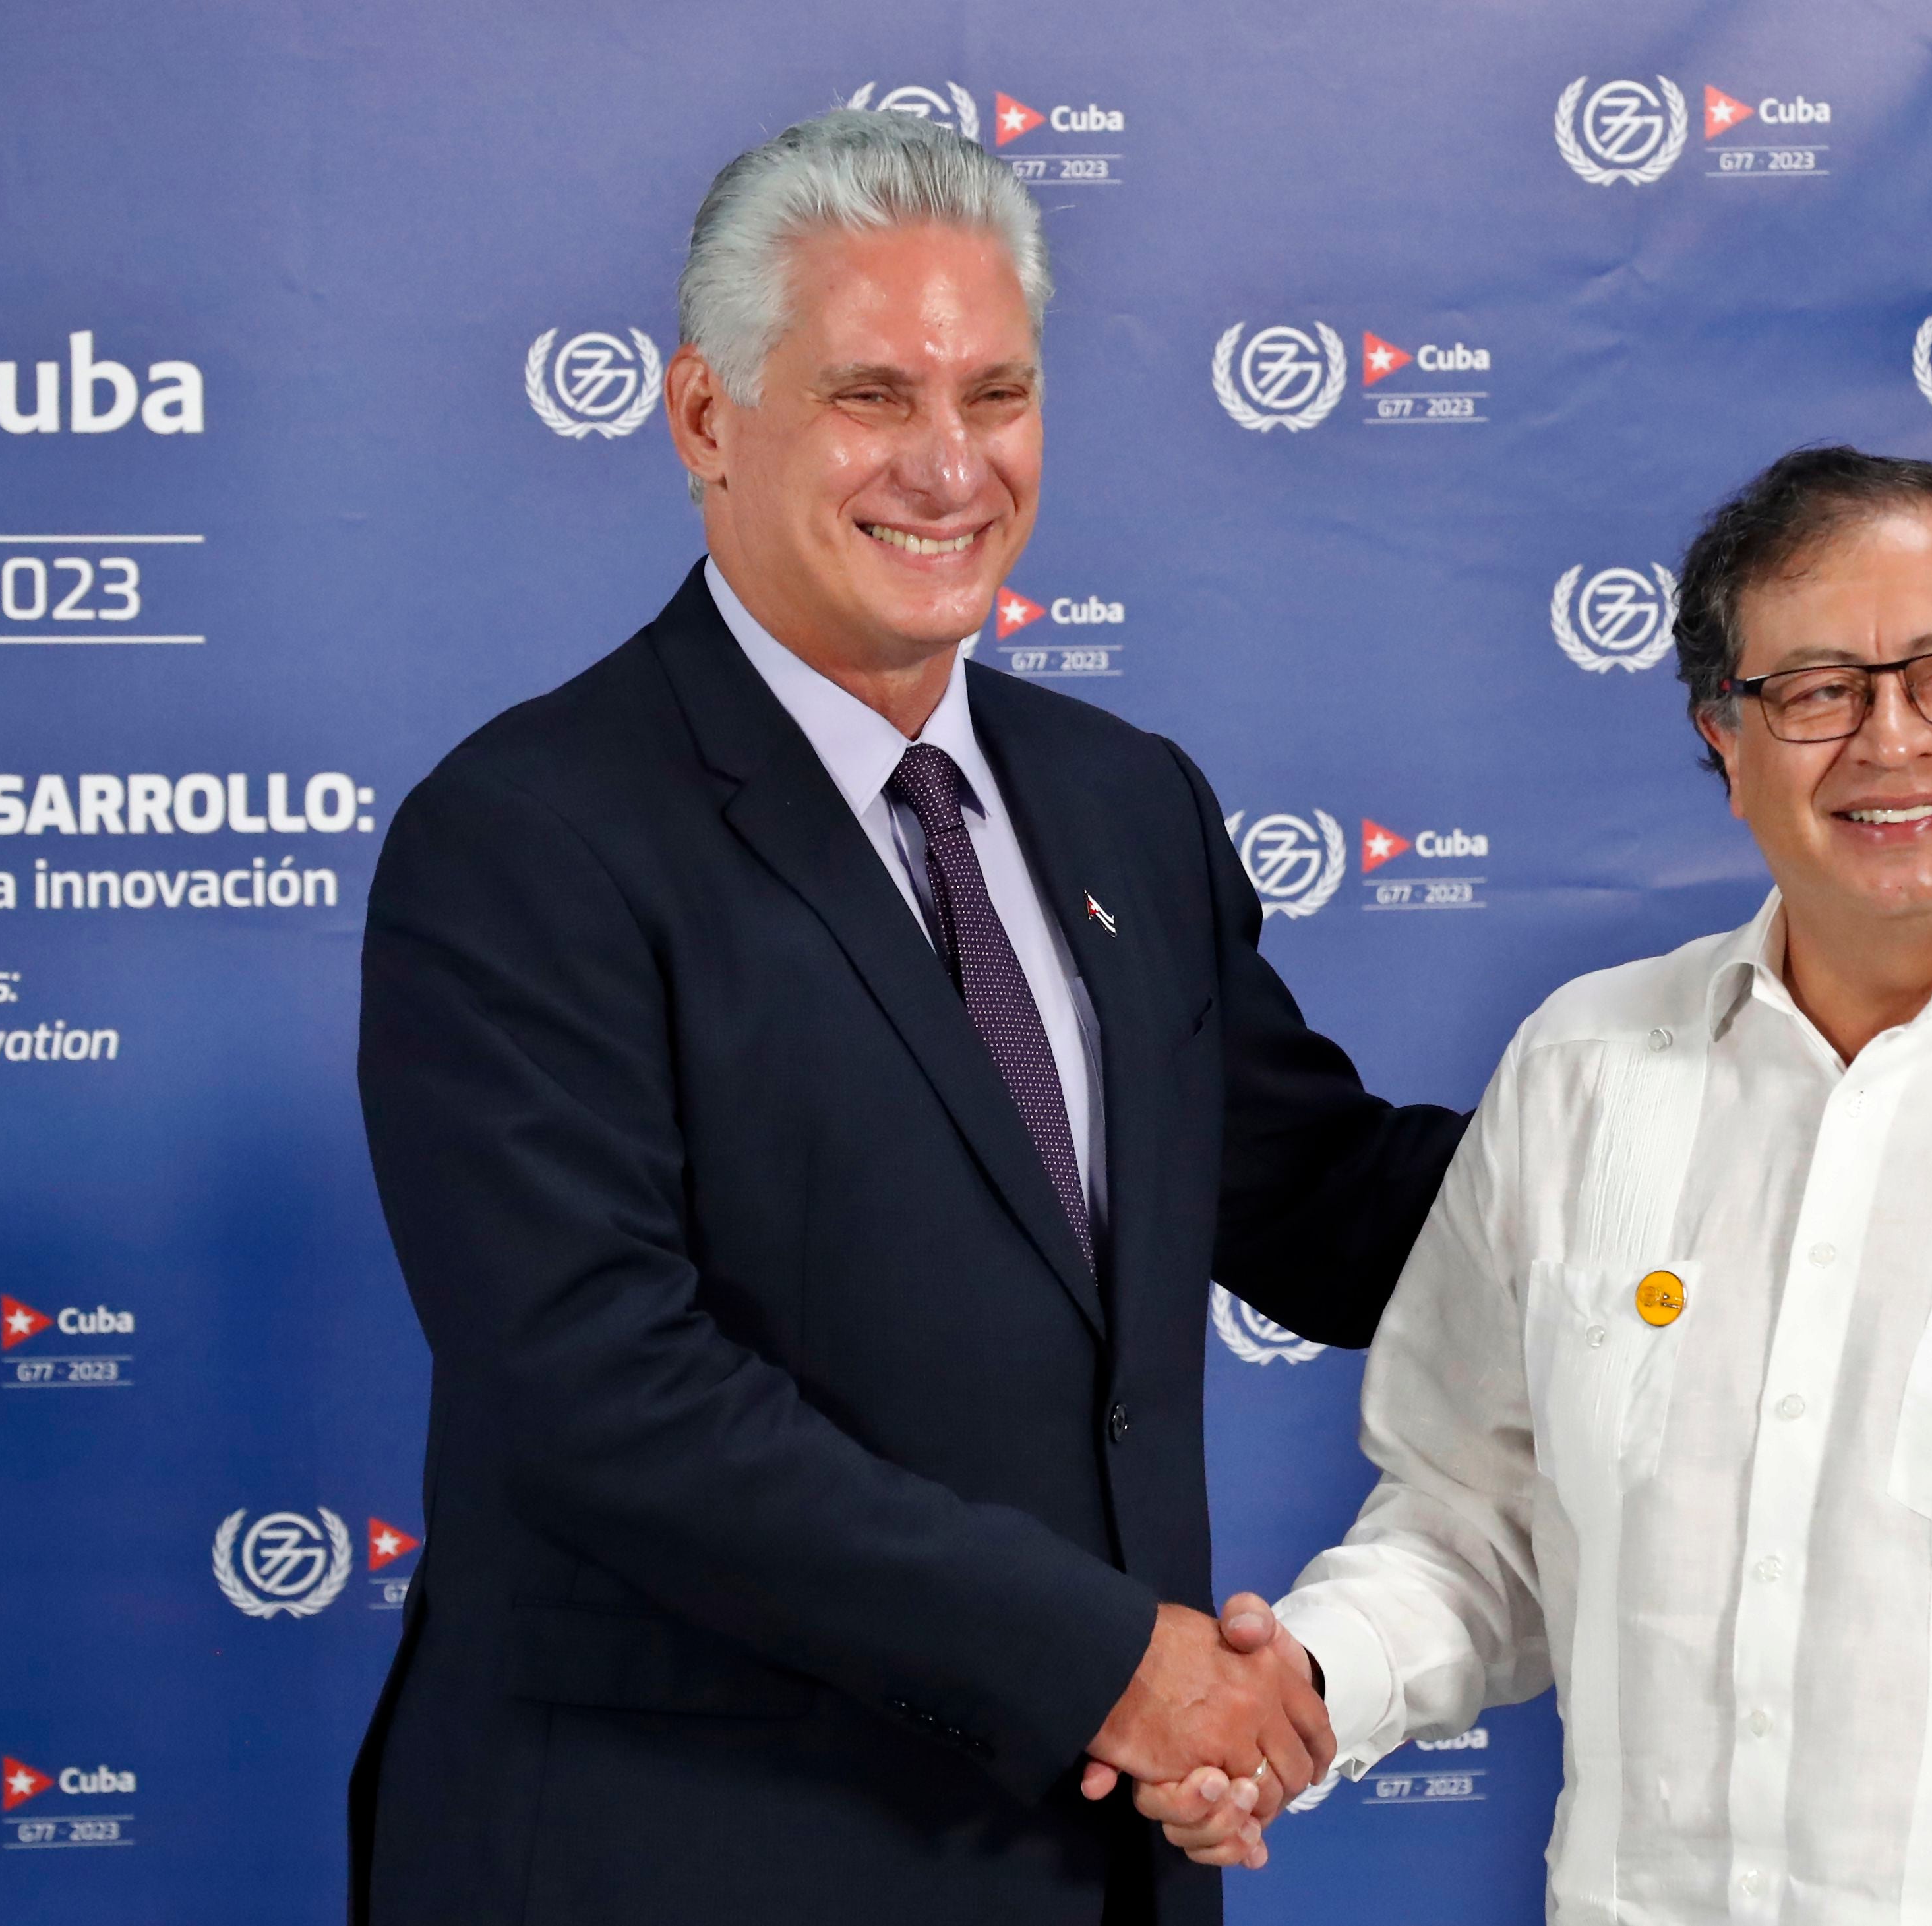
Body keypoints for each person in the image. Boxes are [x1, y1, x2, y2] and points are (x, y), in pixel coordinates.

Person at [347, 110, 1464, 1926]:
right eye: (874, 396)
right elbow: (605, 1392)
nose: (950, 467)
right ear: (707, 418)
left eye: (997, 395)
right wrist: (1118, 1660)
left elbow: (1316, 1205)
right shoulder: (530, 832)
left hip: (1088, 1860)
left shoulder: (1125, 802)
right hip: (683, 1862)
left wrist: (1703, 1131)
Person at [1143, 448, 1932, 1921]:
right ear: (1722, 738)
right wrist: (1305, 1682)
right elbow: (1471, 1518)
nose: (1891, 739)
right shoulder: (1580, 1074)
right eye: (1817, 690)